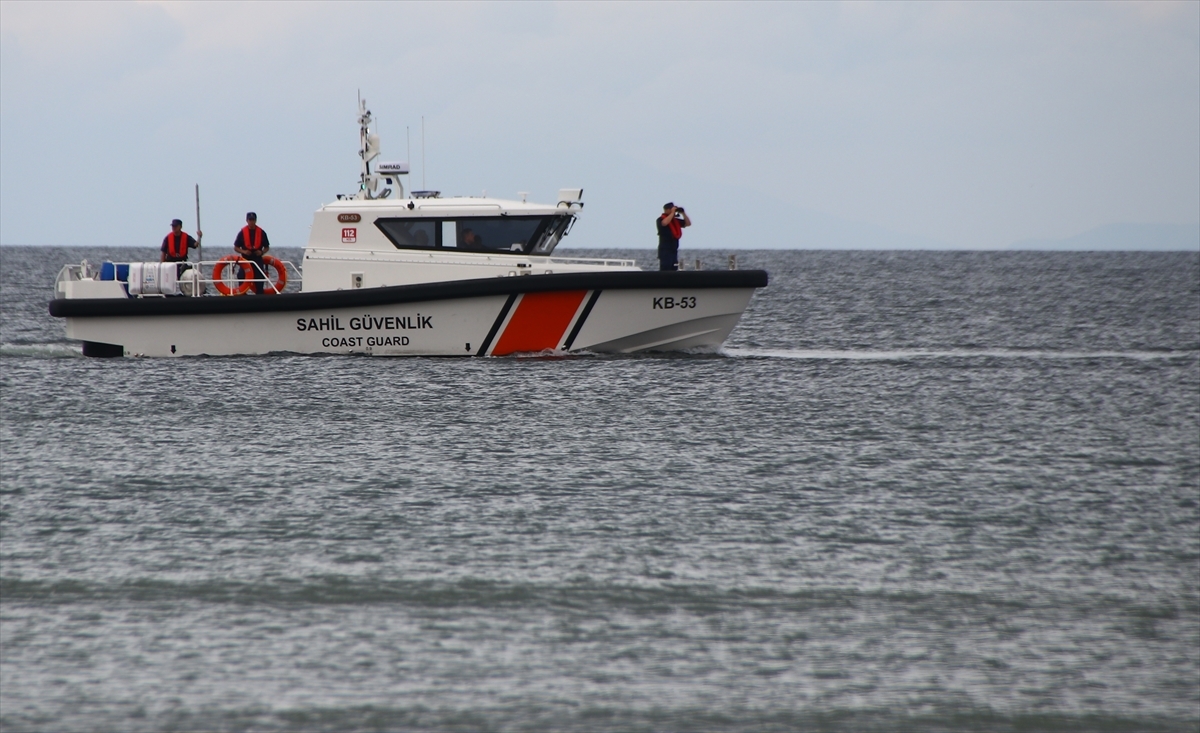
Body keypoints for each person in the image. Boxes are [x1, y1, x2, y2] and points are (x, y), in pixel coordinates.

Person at [233, 212, 271, 294]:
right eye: (250, 220)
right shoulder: (242, 233)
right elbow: (236, 247)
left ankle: (259, 294)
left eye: (253, 220)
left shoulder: (261, 232)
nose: (251, 222)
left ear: (256, 220)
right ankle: (242, 294)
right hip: (245, 258)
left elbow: (267, 247)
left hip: (257, 258)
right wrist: (244, 251)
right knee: (241, 275)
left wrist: (261, 252)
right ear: (247, 220)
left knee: (260, 275)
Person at [656, 202, 691, 271]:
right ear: (666, 210)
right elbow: (664, 223)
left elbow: (688, 223)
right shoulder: (660, 219)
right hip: (665, 249)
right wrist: (672, 213)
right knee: (665, 267)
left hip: (674, 249)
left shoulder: (675, 221)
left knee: (674, 268)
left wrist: (683, 213)